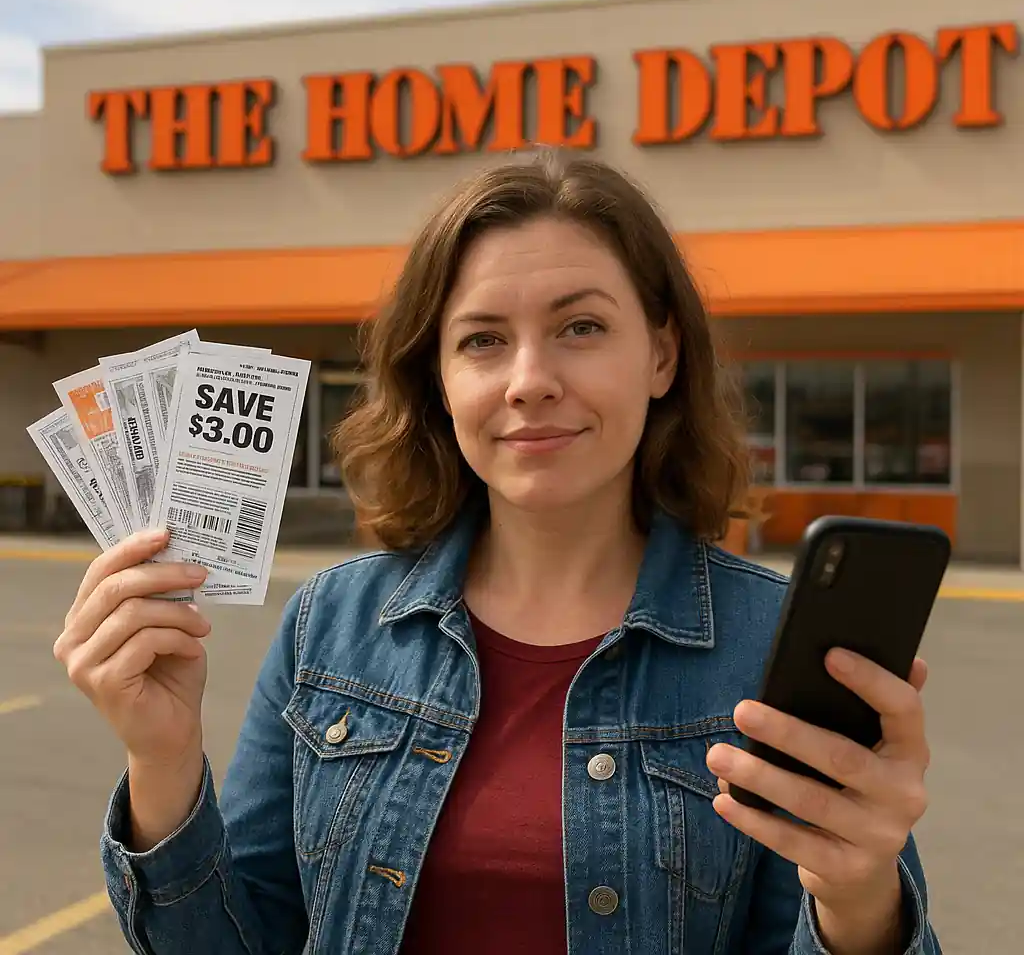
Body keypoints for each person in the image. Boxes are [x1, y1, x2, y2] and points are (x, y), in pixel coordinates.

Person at [54, 152, 940, 955]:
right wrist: (163, 763)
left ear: (662, 354)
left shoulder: (771, 644)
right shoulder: (332, 624)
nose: (529, 380)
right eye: (482, 340)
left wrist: (860, 897)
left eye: (581, 327)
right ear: (439, 382)